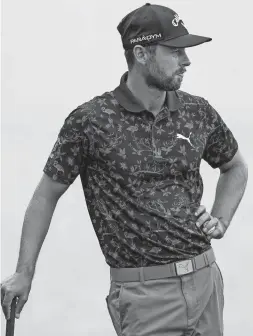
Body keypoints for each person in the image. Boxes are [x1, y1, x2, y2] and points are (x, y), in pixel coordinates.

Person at [1, 3, 248, 335]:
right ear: (142, 53)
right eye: (175, 51)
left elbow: (234, 167)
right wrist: (24, 273)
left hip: (206, 282)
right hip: (144, 297)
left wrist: (221, 220)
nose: (187, 61)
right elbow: (45, 196)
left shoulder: (198, 112)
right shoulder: (90, 121)